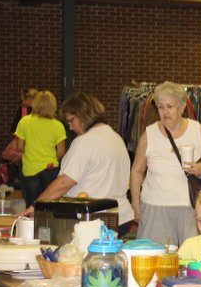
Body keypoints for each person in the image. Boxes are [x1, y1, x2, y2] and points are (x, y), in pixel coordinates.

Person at [23, 91, 133, 238]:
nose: (71, 128)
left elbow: (64, 183)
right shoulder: (116, 137)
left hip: (95, 221)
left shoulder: (84, 142)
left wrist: (37, 206)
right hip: (122, 217)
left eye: (71, 121)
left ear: (82, 115)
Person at [130, 81, 201, 246]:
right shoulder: (149, 134)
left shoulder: (198, 130)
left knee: (190, 261)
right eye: (160, 106)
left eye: (169, 106)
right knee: (155, 260)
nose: (164, 112)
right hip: (155, 208)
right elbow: (137, 170)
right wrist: (136, 203)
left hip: (190, 209)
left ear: (181, 107)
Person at [14, 90, 67, 207]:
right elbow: (61, 152)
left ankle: (31, 225)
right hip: (51, 169)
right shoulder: (58, 125)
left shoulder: (24, 122)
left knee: (32, 206)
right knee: (50, 205)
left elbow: (20, 147)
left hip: (30, 169)